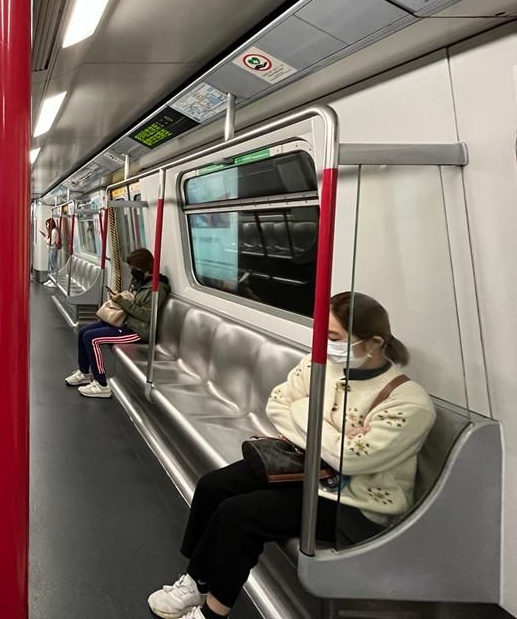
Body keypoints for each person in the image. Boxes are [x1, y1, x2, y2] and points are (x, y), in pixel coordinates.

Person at [147, 292, 436, 619]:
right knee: (213, 486)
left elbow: (352, 459)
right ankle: (197, 580)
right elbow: (277, 404)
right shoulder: (321, 365)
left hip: (355, 505)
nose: (324, 345)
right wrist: (327, 430)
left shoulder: (408, 402)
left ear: (373, 343)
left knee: (239, 515)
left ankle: (213, 613)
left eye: (333, 338)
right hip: (308, 470)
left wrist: (305, 413)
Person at [64, 247, 170, 399]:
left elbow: (146, 315)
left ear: (144, 268)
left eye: (134, 268)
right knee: (83, 332)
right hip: (126, 322)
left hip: (138, 331)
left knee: (92, 339)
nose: (132, 271)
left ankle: (102, 385)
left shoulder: (157, 288)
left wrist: (121, 301)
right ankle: (84, 373)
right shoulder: (140, 282)